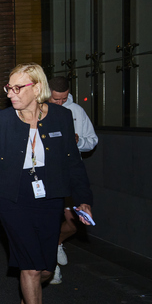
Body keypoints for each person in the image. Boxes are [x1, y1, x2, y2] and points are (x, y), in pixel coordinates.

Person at [0, 63, 93, 304]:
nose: (11, 93)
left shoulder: (61, 117)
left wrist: (83, 200)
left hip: (49, 196)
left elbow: (73, 162)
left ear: (37, 88)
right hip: (13, 198)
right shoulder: (2, 121)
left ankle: (26, 296)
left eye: (18, 88)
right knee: (30, 267)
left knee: (45, 268)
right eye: (9, 87)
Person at [48, 76, 99, 284]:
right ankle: (51, 267)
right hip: (49, 176)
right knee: (50, 222)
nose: (60, 103)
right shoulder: (40, 110)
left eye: (64, 98)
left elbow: (92, 141)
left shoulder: (76, 111)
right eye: (56, 99)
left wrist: (78, 141)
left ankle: (56, 243)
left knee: (73, 223)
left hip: (71, 173)